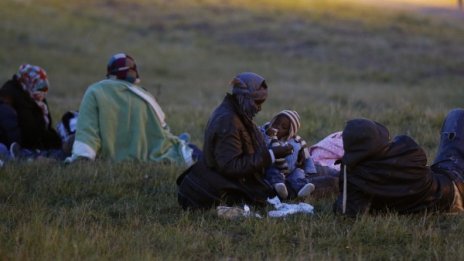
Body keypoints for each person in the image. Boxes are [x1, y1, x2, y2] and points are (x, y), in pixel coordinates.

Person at [176, 72, 294, 209]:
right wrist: (271, 155)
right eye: (257, 102)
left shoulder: (236, 113)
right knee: (309, 182)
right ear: (244, 97)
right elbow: (231, 166)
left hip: (240, 180)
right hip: (232, 186)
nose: (259, 108)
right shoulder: (229, 121)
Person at [66, 53, 198, 165]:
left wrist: (83, 156)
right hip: (152, 154)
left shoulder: (94, 92)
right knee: (194, 151)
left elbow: (87, 132)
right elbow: (162, 130)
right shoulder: (143, 95)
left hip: (111, 158)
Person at [333, 108, 464, 216]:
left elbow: (348, 210)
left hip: (441, 203)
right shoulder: (405, 148)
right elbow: (421, 159)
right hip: (453, 187)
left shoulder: (354, 177)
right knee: (457, 115)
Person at [0, 64, 66, 161]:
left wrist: (57, 142)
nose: (42, 91)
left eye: (45, 87)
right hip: (19, 145)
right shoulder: (8, 96)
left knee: (59, 153)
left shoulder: (36, 97)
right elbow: (11, 129)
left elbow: (45, 128)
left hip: (36, 145)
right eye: (40, 86)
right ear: (27, 80)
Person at [260, 110, 316, 199]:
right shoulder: (266, 133)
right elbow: (262, 144)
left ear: (289, 131)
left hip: (291, 170)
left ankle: (302, 188)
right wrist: (268, 136)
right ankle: (279, 186)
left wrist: (310, 170)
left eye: (283, 127)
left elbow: (307, 157)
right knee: (272, 171)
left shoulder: (297, 141)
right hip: (274, 166)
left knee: (298, 174)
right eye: (276, 123)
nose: (278, 127)